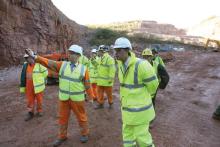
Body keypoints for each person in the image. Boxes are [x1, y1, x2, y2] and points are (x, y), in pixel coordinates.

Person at [25, 45, 95, 147]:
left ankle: (85, 134)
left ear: (78, 55)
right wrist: (35, 57)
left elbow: (87, 84)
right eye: (69, 52)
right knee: (62, 118)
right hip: (64, 99)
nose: (69, 55)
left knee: (81, 117)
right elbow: (48, 63)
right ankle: (62, 136)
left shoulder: (83, 69)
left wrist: (91, 97)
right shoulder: (62, 65)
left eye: (72, 53)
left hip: (78, 100)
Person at [113, 37, 159, 147]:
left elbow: (153, 86)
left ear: (127, 50)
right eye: (115, 50)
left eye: (119, 50)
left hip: (140, 113)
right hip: (127, 112)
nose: (116, 53)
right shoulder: (120, 66)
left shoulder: (141, 65)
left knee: (143, 140)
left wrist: (145, 98)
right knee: (128, 137)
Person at [20, 53, 48, 121]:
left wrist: (40, 80)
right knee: (30, 100)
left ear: (32, 57)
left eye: (28, 58)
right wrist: (23, 87)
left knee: (39, 99)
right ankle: (30, 112)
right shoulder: (25, 66)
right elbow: (23, 76)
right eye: (26, 58)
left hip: (38, 86)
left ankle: (39, 111)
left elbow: (46, 72)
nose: (27, 59)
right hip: (29, 86)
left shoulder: (39, 65)